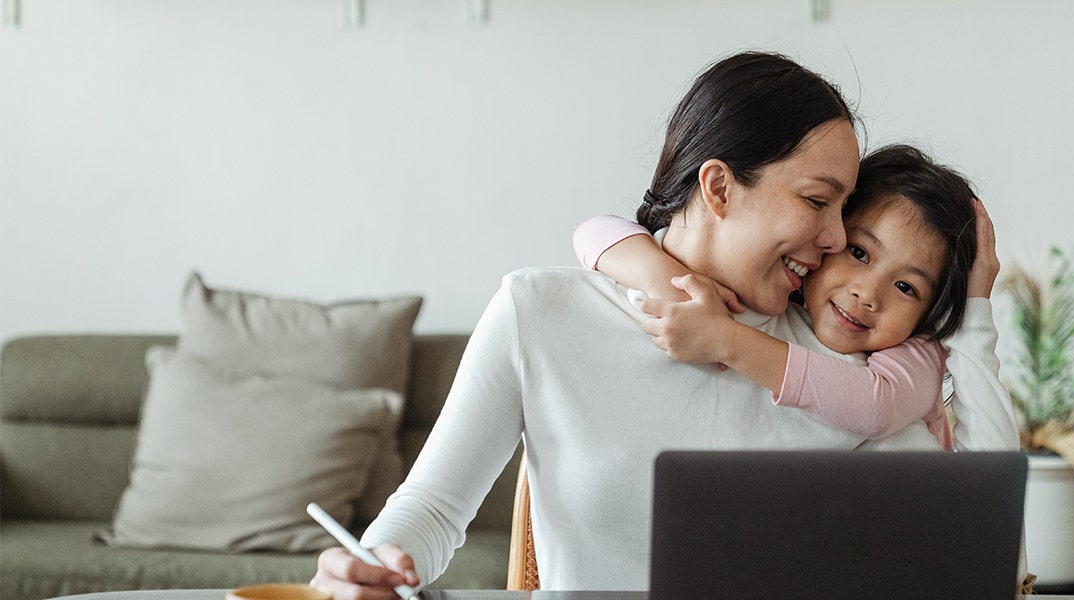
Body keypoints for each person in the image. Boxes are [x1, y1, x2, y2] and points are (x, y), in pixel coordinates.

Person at [311, 51, 1019, 599]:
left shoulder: (841, 364)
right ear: (718, 187)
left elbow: (987, 549)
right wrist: (365, 571)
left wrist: (976, 314)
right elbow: (432, 511)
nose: (836, 240)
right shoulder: (541, 314)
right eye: (817, 201)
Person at [573, 144, 985, 448]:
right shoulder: (783, 295)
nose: (867, 293)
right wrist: (665, 279)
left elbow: (875, 406)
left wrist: (727, 340)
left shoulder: (919, 350)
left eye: (906, 287)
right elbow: (593, 230)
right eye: (858, 252)